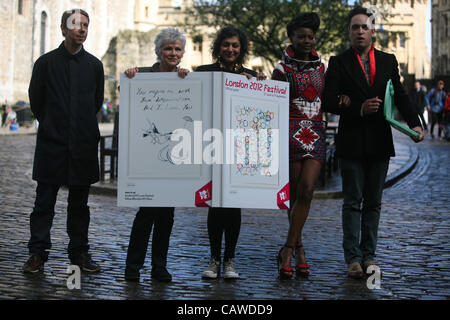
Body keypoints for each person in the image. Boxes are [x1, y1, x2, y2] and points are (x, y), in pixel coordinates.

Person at [322, 6, 424, 279]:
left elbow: (400, 96)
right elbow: (329, 99)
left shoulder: (388, 61)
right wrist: (358, 107)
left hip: (380, 141)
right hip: (352, 141)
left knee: (374, 203)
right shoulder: (339, 61)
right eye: (354, 27)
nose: (359, 31)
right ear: (349, 32)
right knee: (353, 201)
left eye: (363, 27)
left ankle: (369, 255)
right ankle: (352, 258)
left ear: (372, 30)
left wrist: (415, 124)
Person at [24, 9, 104, 273]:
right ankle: (37, 254)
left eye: (85, 25)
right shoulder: (45, 64)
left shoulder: (95, 65)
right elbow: (37, 101)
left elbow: (95, 103)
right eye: (75, 24)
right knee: (43, 203)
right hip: (52, 144)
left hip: (82, 145)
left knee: (79, 206)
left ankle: (79, 253)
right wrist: (51, 125)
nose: (81, 29)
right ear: (63, 29)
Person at [195, 26, 266, 279]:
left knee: (234, 205)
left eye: (235, 45)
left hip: (239, 149)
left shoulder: (250, 77)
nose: (230, 49)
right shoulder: (203, 73)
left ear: (242, 48)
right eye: (226, 44)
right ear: (218, 47)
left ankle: (230, 260)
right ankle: (214, 259)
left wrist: (261, 87)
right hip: (212, 146)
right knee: (215, 205)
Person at [123, 28, 189, 283]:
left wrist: (188, 80)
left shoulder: (186, 78)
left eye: (177, 49)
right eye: (168, 48)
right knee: (145, 214)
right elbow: (126, 92)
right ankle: (133, 266)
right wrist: (129, 77)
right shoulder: (143, 75)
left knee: (166, 216)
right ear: (159, 51)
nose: (173, 53)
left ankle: (158, 266)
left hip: (172, 157)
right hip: (147, 156)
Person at [271, 13, 326, 279]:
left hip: (315, 132)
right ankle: (299, 249)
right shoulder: (281, 70)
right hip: (291, 132)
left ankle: (288, 249)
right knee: (295, 196)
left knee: (307, 190)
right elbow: (273, 105)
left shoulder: (322, 68)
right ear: (291, 37)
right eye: (301, 36)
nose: (306, 41)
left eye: (310, 37)